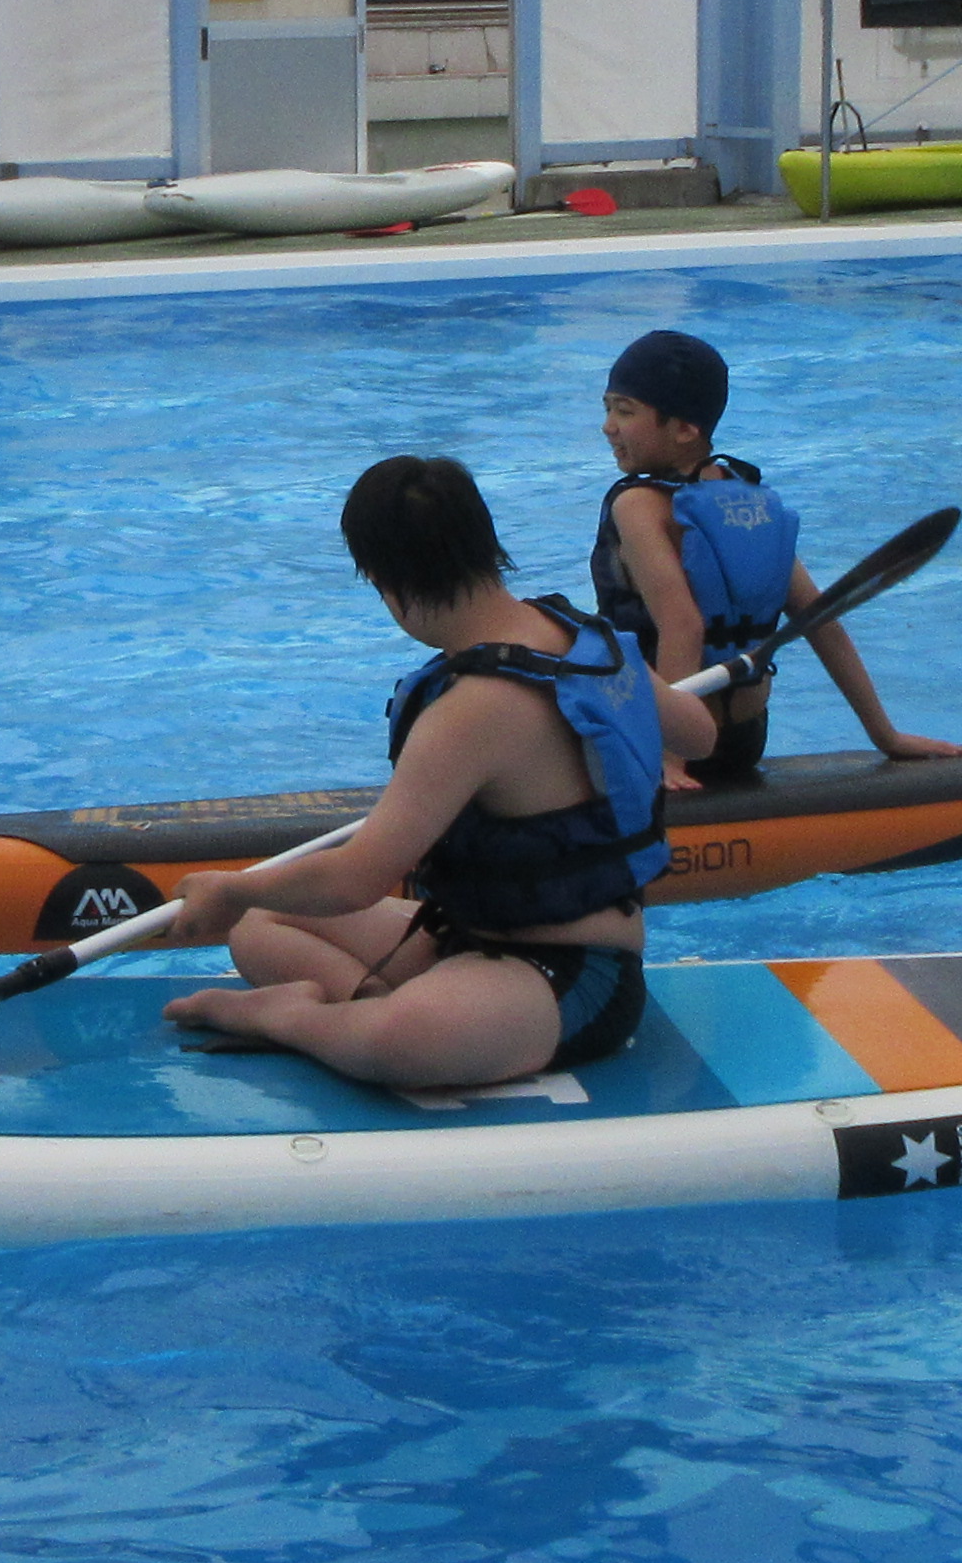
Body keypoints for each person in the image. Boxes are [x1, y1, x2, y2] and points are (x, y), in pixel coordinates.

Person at [159, 453, 715, 1096]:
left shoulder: (471, 708)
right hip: (460, 942)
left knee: (404, 1039)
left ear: (389, 585)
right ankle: (360, 1001)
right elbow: (697, 733)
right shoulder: (595, 640)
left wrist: (233, 892)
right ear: (486, 546)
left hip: (570, 978)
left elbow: (357, 879)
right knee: (264, 929)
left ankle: (302, 1020)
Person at [586, 327, 962, 789]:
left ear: (685, 429)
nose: (609, 426)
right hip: (744, 739)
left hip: (666, 738)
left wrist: (669, 761)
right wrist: (885, 736)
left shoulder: (637, 505)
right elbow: (822, 619)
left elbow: (683, 626)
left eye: (625, 411)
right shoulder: (747, 502)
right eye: (608, 408)